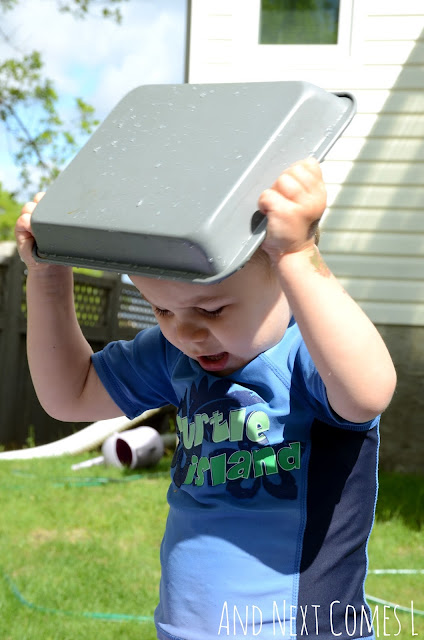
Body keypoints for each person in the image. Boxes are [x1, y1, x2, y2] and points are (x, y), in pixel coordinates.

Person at [15, 157, 396, 640]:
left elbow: (369, 392)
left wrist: (299, 253)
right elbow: (69, 395)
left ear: (281, 273)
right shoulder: (177, 354)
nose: (187, 332)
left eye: (212, 309)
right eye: (161, 309)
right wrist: (47, 278)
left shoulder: (309, 353)